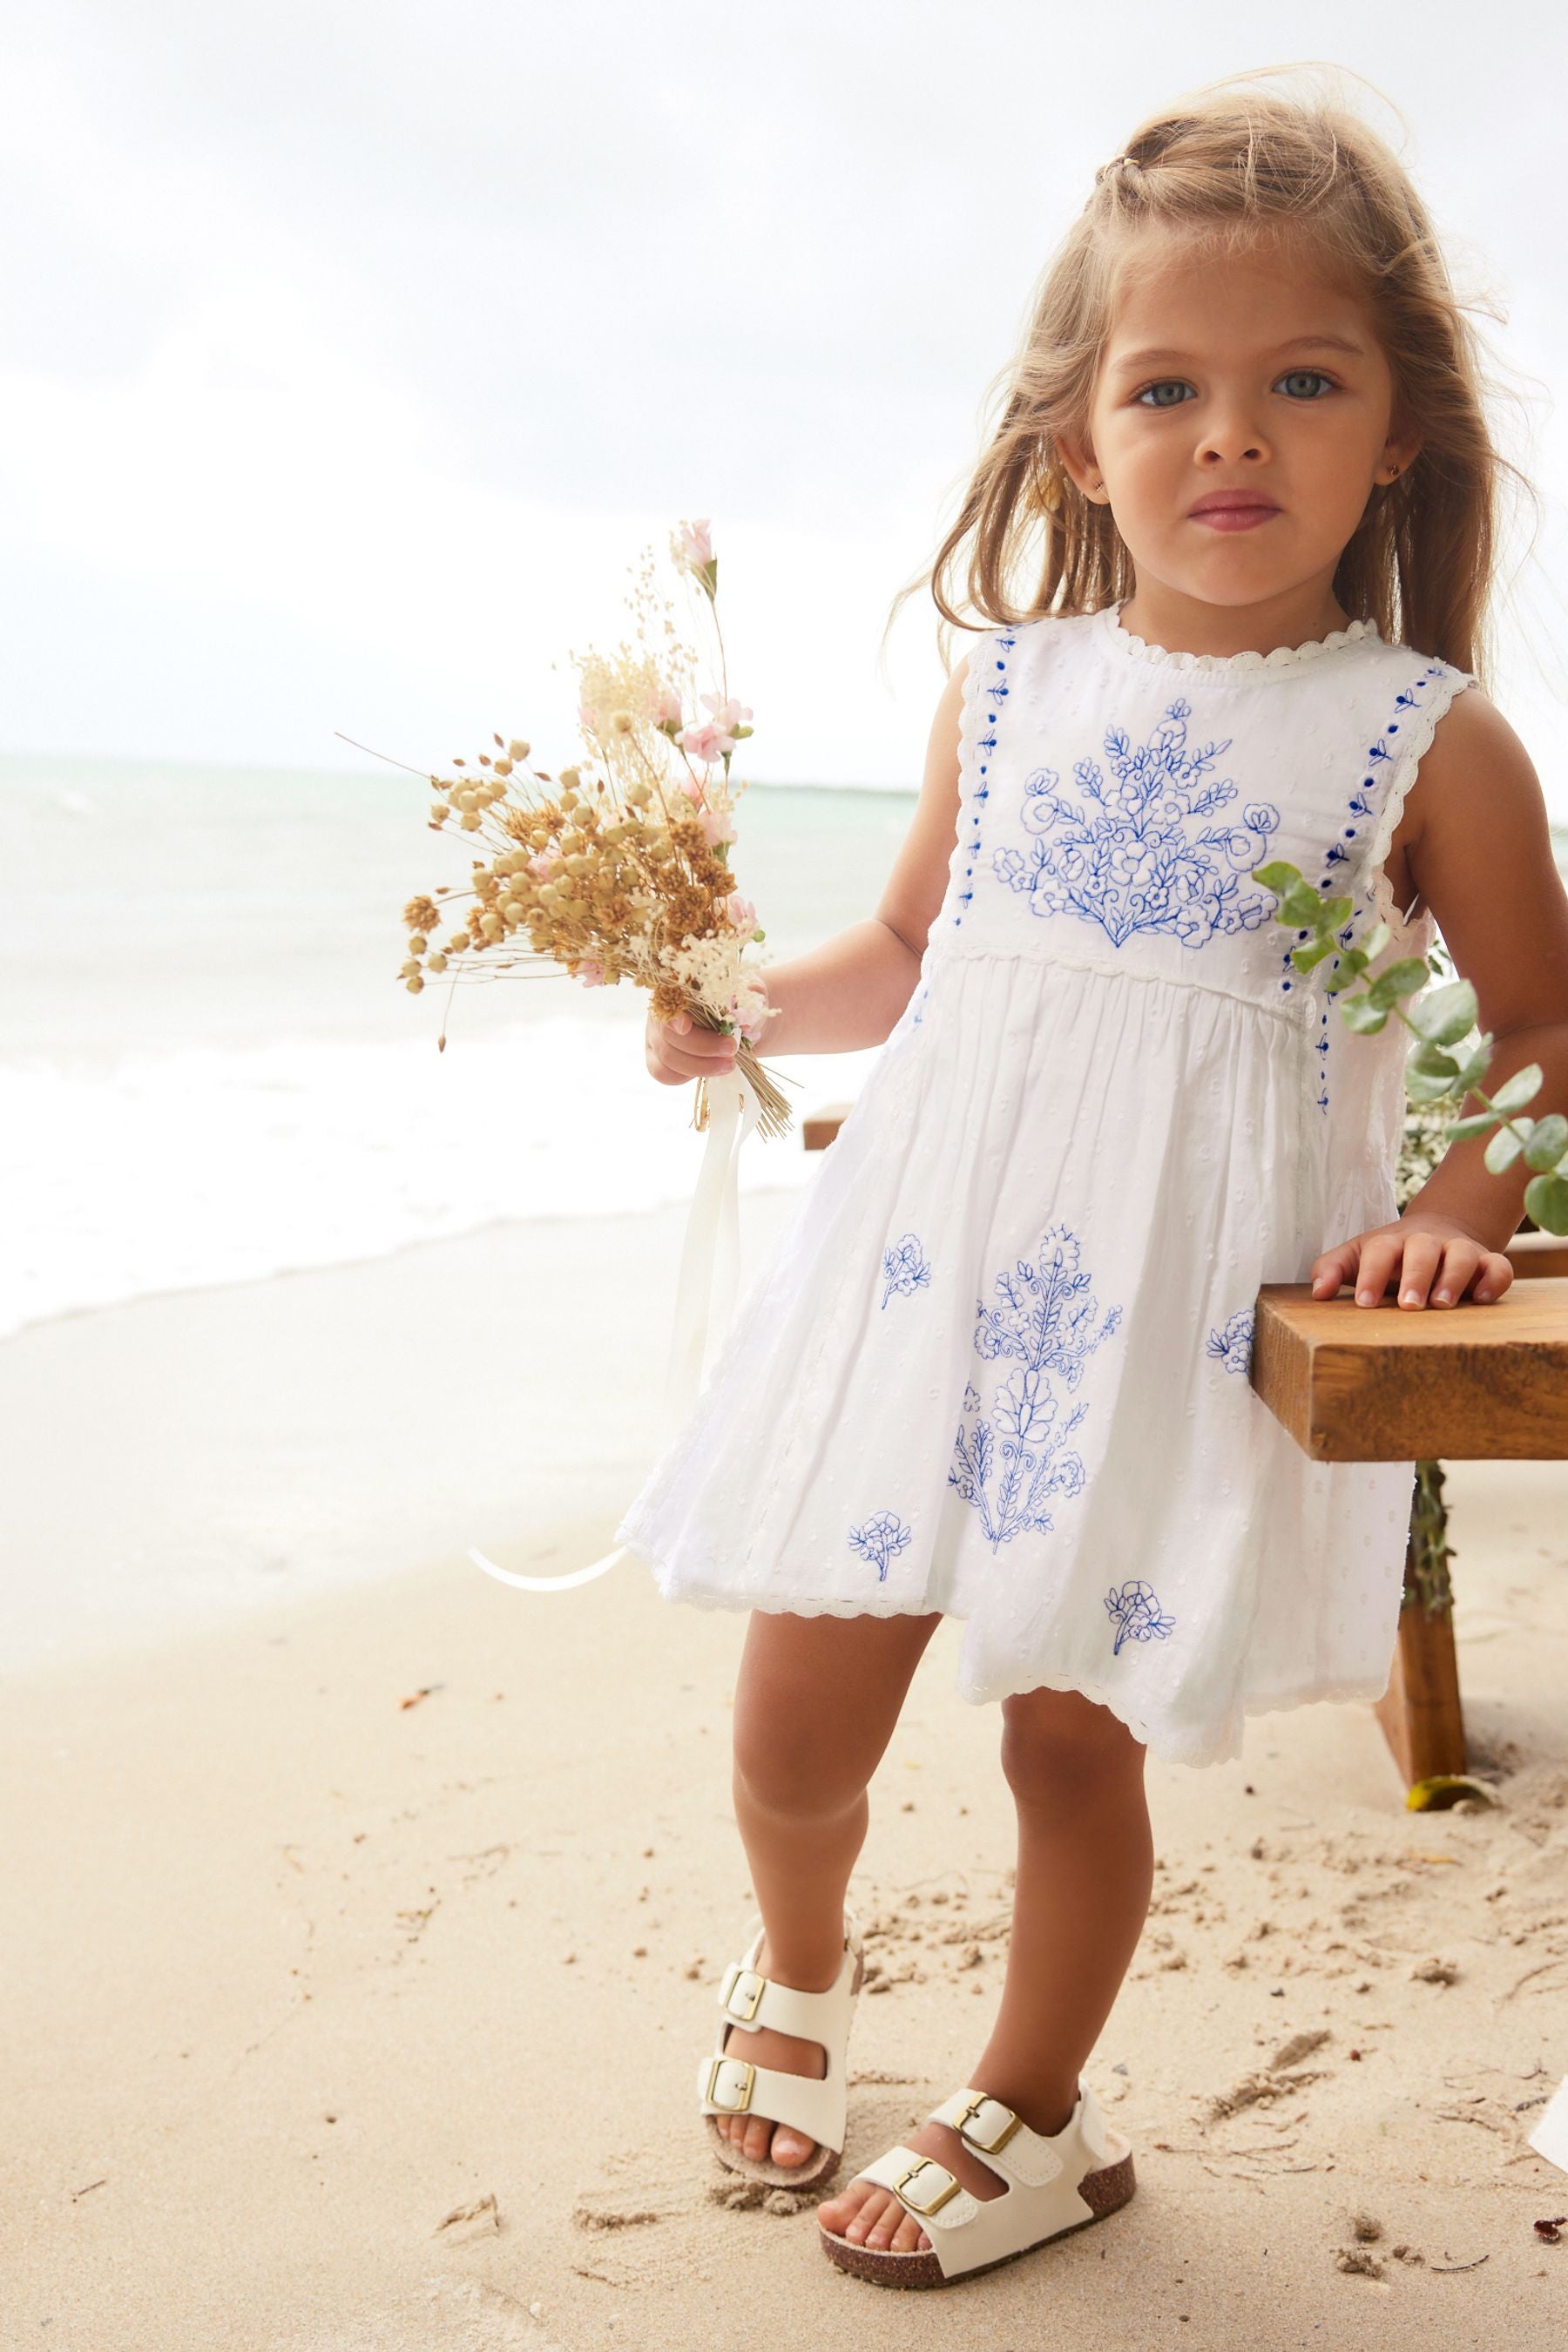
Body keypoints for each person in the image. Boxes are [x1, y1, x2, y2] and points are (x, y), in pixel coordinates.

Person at [619, 75, 1568, 2291]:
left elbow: (1543, 1030)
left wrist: (1466, 1204)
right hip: (919, 1291)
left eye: (1301, 381)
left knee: (1071, 1755)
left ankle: (1033, 2108)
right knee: (788, 1732)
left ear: (1398, 429)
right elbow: (906, 955)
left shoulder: (1424, 737)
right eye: (1171, 388)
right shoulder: (1010, 690)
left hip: (1156, 1326)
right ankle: (799, 1952)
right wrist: (739, 1006)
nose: (1231, 437)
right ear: (1077, 434)